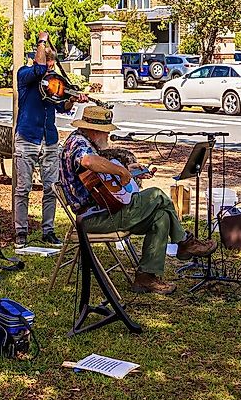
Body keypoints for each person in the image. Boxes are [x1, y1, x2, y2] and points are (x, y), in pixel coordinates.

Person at [59, 104, 215, 294]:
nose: (107, 136)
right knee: (157, 195)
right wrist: (120, 170)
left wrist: (129, 172)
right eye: (105, 132)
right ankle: (184, 242)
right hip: (94, 218)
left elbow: (100, 180)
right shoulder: (77, 143)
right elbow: (88, 161)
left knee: (161, 217)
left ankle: (146, 278)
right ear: (94, 130)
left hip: (106, 210)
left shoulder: (85, 141)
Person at [12, 30, 84, 248]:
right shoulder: (25, 75)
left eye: (53, 67)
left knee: (51, 187)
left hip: (49, 139)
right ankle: (21, 231)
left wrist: (74, 99)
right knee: (23, 188)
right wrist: (42, 41)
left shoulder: (54, 84)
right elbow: (39, 69)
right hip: (27, 138)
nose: (50, 72)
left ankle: (48, 230)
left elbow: (63, 107)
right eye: (48, 66)